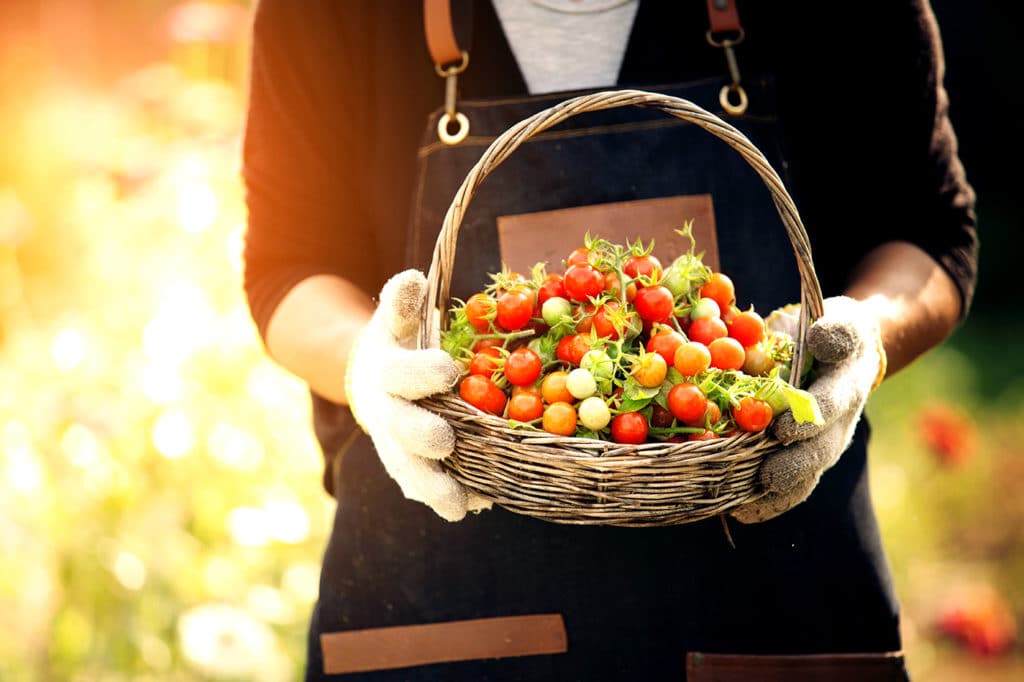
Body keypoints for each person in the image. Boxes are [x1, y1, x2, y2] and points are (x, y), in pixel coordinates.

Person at [242, 1, 977, 679]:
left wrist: (864, 338)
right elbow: (287, 265)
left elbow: (930, 229)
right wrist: (363, 365)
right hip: (439, 605)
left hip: (770, 609)